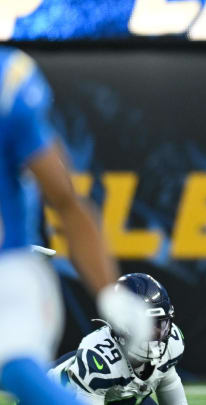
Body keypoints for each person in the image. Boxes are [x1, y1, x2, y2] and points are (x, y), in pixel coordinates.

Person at [0, 47, 151, 405]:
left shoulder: (7, 82)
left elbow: (66, 201)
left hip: (9, 267)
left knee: (15, 364)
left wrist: (108, 293)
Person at [49, 273, 188, 405]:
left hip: (119, 399)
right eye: (145, 324)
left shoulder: (171, 343)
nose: (152, 332)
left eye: (159, 324)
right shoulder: (100, 358)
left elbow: (168, 381)